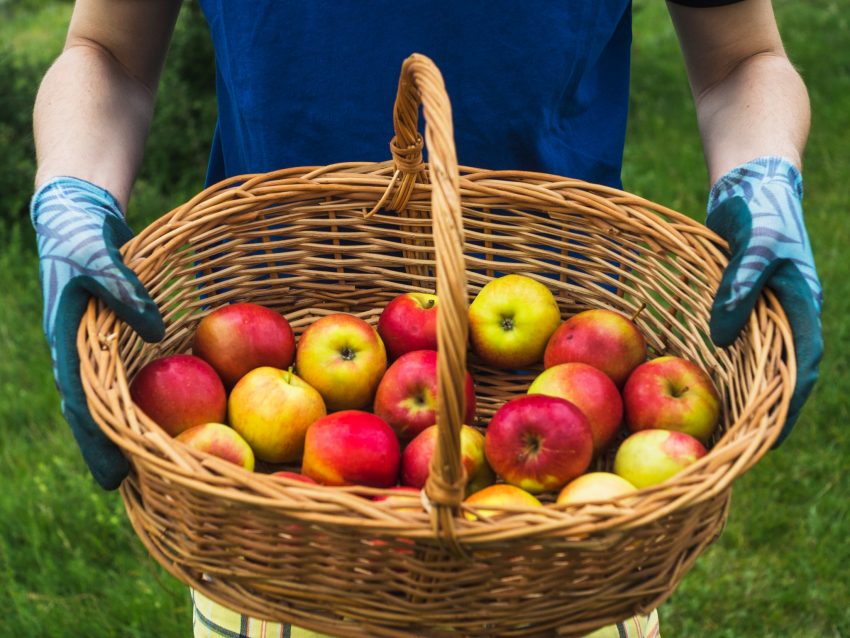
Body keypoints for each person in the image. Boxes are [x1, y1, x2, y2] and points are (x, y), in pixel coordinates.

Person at [31, 1, 822, 637]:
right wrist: (69, 194)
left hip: (567, 519)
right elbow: (108, 51)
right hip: (274, 510)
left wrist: (764, 179)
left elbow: (739, 61)